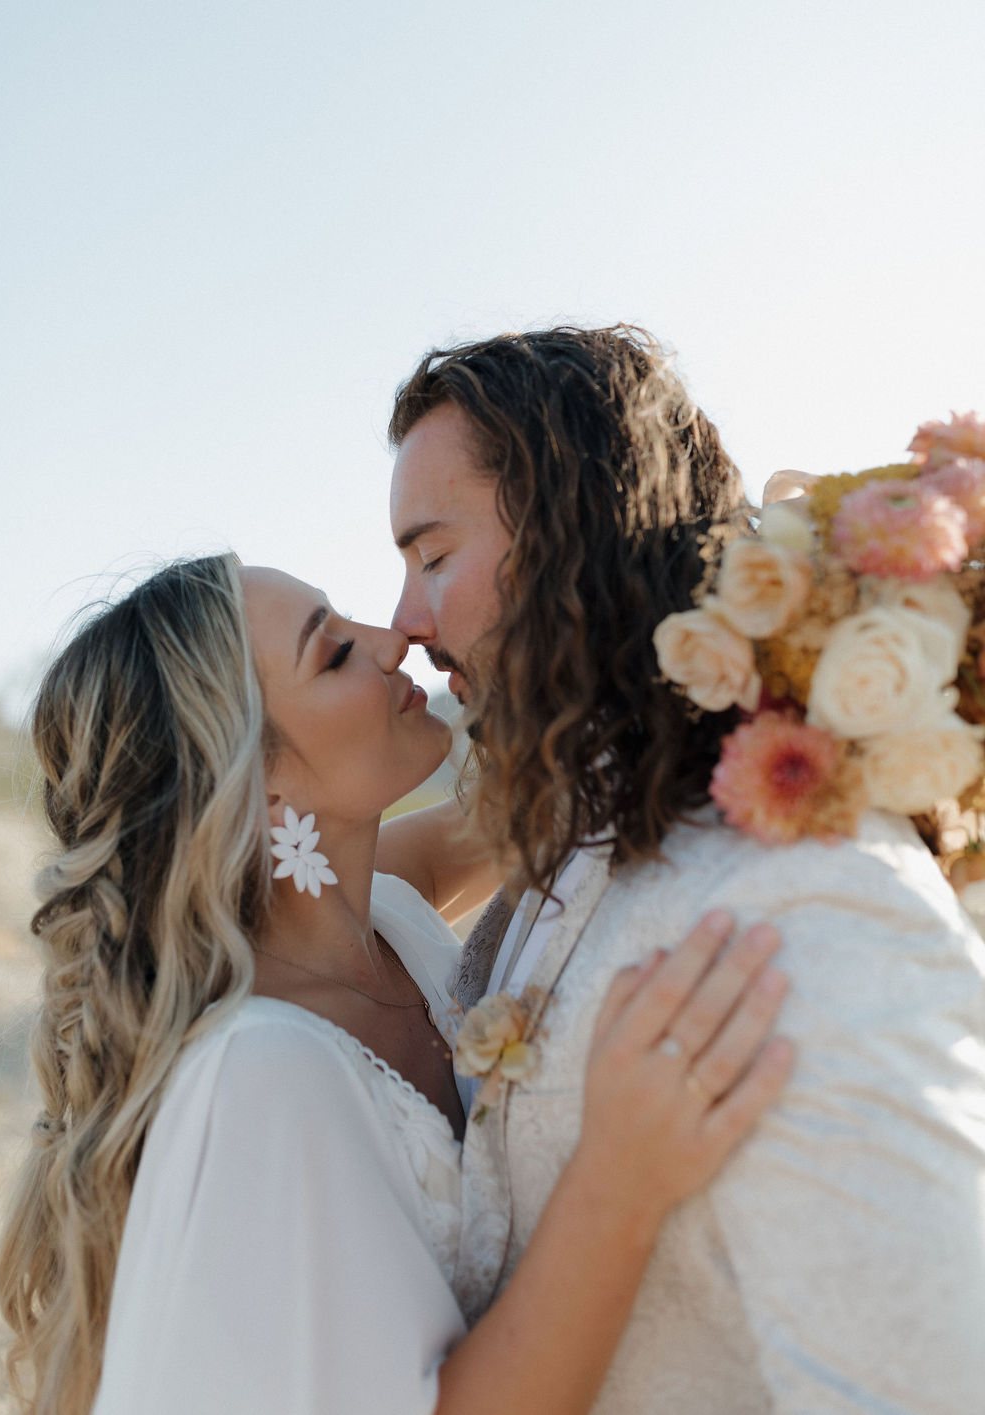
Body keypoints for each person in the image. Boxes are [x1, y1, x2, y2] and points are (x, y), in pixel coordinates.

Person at [0, 554, 792, 1415]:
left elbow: (547, 798)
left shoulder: (387, 919)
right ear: (260, 778)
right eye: (332, 653)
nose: (392, 642)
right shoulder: (262, 1074)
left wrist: (755, 638)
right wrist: (621, 1176)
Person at [388, 325, 985, 1413]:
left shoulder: (805, 887)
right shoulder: (562, 864)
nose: (406, 622)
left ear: (569, 523)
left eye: (432, 556)